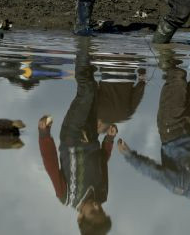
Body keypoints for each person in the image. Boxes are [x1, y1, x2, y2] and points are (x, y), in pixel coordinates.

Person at [118, 49, 190, 224]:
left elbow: (153, 171)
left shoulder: (179, 185)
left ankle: (164, 42)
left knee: (176, 77)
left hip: (170, 125)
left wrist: (129, 155)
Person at [38, 38, 116, 235]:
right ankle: (90, 53)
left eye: (93, 212)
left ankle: (82, 46)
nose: (98, 206)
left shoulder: (66, 196)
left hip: (71, 135)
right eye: (102, 211)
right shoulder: (103, 194)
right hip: (91, 136)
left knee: (86, 92)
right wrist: (108, 141)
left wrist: (44, 135)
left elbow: (51, 164)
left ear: (80, 216)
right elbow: (102, 164)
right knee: (94, 92)